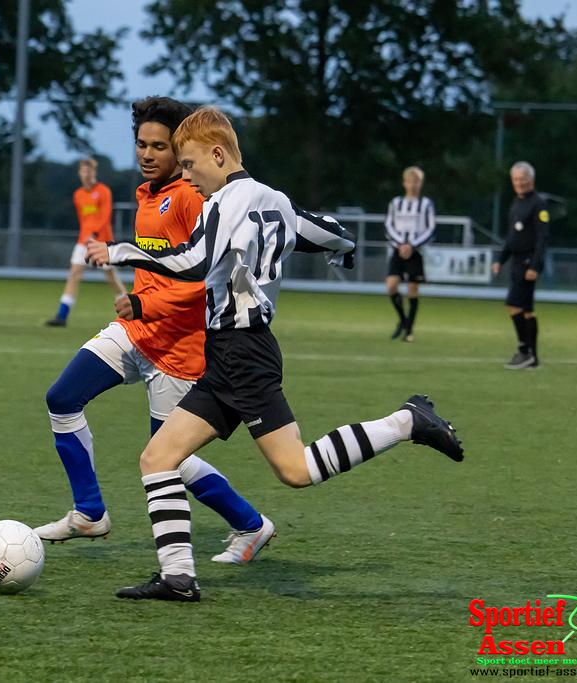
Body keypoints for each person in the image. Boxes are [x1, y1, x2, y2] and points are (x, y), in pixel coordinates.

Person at [87, 106, 464, 602]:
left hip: (243, 354)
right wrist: (344, 249)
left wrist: (119, 252)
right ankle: (178, 577)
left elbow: (191, 263)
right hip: (231, 355)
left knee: (296, 470)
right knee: (158, 457)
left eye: (191, 164)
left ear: (218, 154)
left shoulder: (221, 203)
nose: (186, 175)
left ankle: (407, 422)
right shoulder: (275, 200)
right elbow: (324, 229)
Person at [34, 97, 276, 566]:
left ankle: (251, 523)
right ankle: (89, 512)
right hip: (135, 332)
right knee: (62, 398)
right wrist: (138, 305)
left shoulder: (191, 198)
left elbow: (203, 279)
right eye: (141, 144)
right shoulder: (148, 196)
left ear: (179, 150)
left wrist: (146, 301)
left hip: (181, 350)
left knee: (172, 460)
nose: (147, 154)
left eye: (159, 147)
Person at [45, 158, 125, 327]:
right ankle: (62, 316)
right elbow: (83, 220)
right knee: (74, 274)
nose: (86, 175)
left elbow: (105, 217)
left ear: (94, 172)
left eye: (89, 171)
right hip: (84, 242)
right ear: (80, 173)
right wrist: (86, 236)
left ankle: (130, 310)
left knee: (110, 277)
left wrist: (94, 234)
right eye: (83, 171)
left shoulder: (103, 191)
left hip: (102, 242)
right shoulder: (78, 195)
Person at [491, 161, 549, 370]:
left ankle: (525, 351)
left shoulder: (538, 203)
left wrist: (535, 265)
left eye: (523, 179)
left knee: (514, 304)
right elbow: (511, 237)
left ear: (531, 179)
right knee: (525, 310)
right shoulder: (516, 202)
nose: (519, 182)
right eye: (515, 179)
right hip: (516, 261)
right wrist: (500, 259)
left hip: (528, 262)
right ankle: (531, 356)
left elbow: (542, 238)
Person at [384, 166, 436, 341]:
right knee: (391, 285)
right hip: (398, 249)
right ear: (404, 183)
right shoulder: (396, 203)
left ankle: (409, 331)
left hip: (416, 252)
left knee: (413, 289)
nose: (413, 185)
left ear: (420, 184)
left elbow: (430, 228)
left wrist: (411, 245)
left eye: (416, 182)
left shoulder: (426, 204)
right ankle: (403, 320)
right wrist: (401, 244)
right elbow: (389, 225)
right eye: (410, 181)